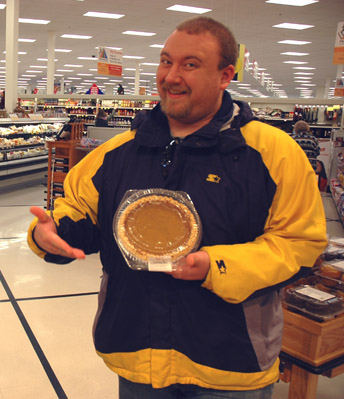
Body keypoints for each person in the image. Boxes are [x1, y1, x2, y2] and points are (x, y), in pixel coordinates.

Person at [27, 16, 326, 398]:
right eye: (166, 61)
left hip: (230, 365)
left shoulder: (273, 154)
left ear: (225, 75)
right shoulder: (116, 153)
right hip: (137, 357)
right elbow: (80, 214)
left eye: (190, 64)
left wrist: (216, 267)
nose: (171, 76)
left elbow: (301, 244)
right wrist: (49, 233)